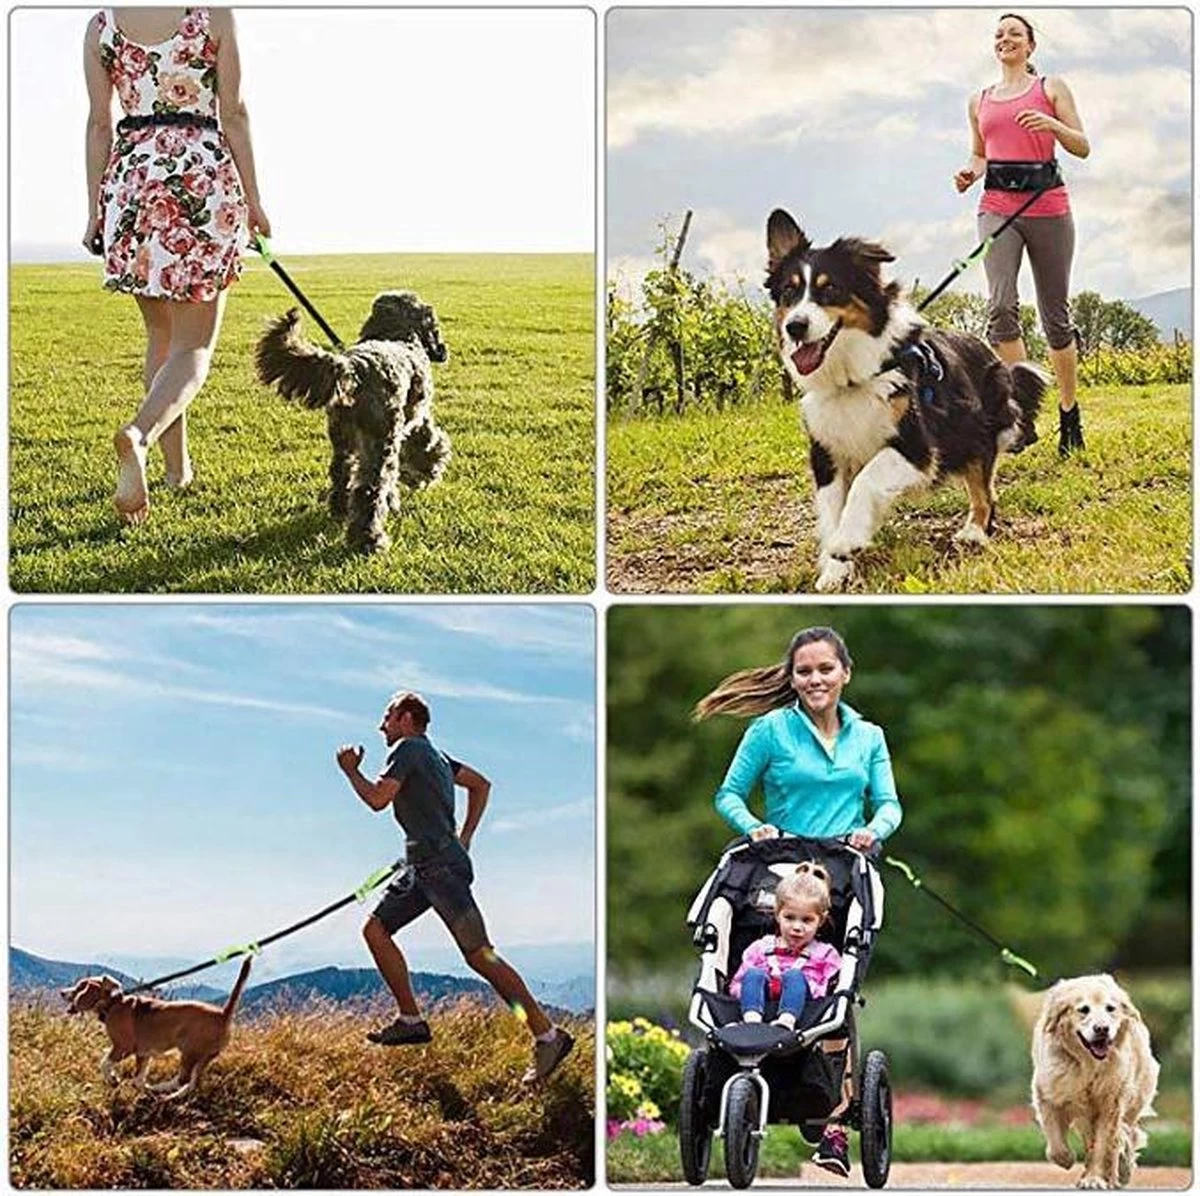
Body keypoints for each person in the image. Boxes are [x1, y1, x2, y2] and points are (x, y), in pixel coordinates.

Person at [694, 626, 902, 1177]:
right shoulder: (769, 730)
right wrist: (754, 827)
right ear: (791, 677)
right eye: (804, 671)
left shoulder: (869, 736)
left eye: (825, 669)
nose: (815, 679)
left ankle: (832, 1121)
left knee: (838, 989)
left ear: (845, 673)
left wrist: (873, 831)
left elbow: (889, 804)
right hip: (779, 875)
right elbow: (728, 795)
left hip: (843, 874)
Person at [83, 7, 271, 523]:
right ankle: (140, 435)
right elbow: (233, 112)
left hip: (133, 182)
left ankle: (177, 471)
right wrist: (254, 201)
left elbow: (100, 123)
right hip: (200, 179)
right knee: (194, 347)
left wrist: (96, 210)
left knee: (161, 338)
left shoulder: (101, 25)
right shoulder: (214, 15)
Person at [336, 690, 575, 1084]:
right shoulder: (438, 757)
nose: (382, 726)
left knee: (480, 956)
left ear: (407, 719)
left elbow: (378, 799)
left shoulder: (408, 749)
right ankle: (410, 1019)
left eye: (388, 717)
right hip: (426, 868)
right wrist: (464, 837)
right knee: (375, 930)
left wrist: (350, 771)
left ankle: (547, 1035)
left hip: (440, 870)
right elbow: (481, 785)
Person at [954, 12, 1091, 458]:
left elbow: (1082, 146)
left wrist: (1053, 125)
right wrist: (970, 173)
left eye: (1015, 33)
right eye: (999, 34)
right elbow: (980, 154)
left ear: (1030, 45)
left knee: (1055, 317)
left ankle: (1069, 411)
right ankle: (1021, 414)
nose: (1005, 38)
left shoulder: (1051, 88)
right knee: (1000, 308)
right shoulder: (979, 100)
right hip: (997, 206)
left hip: (1048, 206)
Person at [730, 863, 842, 1032]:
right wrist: (750, 990)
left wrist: (807, 987)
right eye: (789, 918)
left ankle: (786, 1020)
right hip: (762, 1006)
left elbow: (831, 990)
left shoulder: (826, 954)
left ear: (821, 921)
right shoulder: (759, 949)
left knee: (794, 977)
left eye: (807, 920)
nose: (797, 927)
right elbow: (736, 985)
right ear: (777, 914)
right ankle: (751, 1021)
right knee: (753, 975)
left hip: (805, 1013)